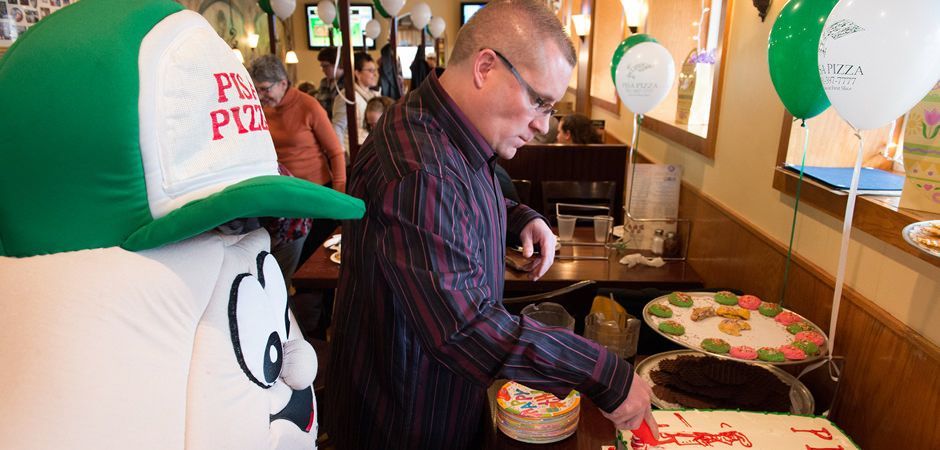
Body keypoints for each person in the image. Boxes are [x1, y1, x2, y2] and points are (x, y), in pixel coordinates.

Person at [326, 1, 656, 448]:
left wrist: (518, 217)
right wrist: (606, 375)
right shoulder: (421, 169)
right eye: (539, 101)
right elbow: (465, 328)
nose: (542, 124)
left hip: (443, 394)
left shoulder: (442, 125)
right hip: (407, 416)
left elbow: (459, 198)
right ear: (485, 66)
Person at [247, 55, 346, 280]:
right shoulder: (262, 108)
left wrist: (338, 190)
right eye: (257, 90)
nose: (261, 96)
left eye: (264, 89)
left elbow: (335, 151)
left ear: (283, 82)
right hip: (282, 198)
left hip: (314, 194)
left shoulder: (308, 106)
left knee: (312, 264)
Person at [332, 52, 379, 158]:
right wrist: (342, 156)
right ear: (357, 73)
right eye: (371, 71)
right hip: (354, 153)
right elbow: (337, 127)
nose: (375, 74)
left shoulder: (372, 94)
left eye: (375, 70)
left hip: (369, 149)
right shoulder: (347, 96)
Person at [315, 46, 344, 119]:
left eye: (325, 66)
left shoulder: (348, 84)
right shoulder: (324, 82)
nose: (323, 70)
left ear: (337, 64)